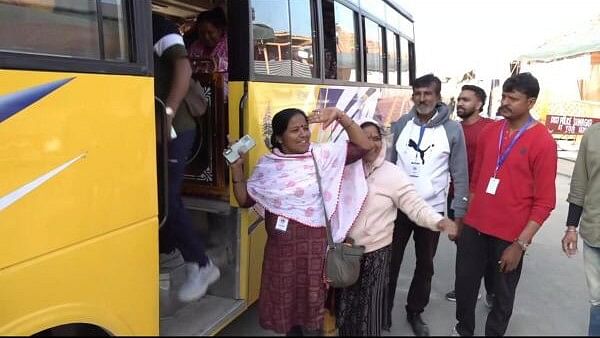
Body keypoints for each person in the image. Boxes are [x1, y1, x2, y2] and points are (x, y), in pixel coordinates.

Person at [228, 107, 374, 335]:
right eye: (295, 130)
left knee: (312, 309)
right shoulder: (268, 165)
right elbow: (245, 199)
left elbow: (364, 146)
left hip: (313, 250)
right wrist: (237, 171)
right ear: (278, 137)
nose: (304, 134)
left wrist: (340, 116)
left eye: (305, 128)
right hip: (281, 253)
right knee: (287, 311)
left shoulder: (323, 155)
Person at [453, 73, 557, 336]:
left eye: (514, 98)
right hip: (474, 229)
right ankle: (462, 330)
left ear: (531, 102)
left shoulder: (543, 141)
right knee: (465, 287)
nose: (506, 102)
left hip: (509, 237)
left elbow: (545, 202)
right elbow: (476, 182)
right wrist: (463, 220)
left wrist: (519, 245)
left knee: (502, 297)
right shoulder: (491, 131)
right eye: (504, 96)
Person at [335, 120, 458, 336]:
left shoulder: (392, 174)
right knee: (345, 308)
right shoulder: (342, 169)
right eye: (364, 137)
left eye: (376, 138)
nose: (371, 143)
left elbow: (414, 204)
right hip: (344, 252)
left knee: (369, 311)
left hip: (375, 254)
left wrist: (437, 220)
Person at [386, 74, 469, 336]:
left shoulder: (453, 130)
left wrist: (459, 214)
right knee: (389, 262)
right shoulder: (401, 124)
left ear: (438, 96)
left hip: (431, 212)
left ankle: (415, 311)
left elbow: (460, 174)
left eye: (427, 94)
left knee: (425, 265)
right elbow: (389, 165)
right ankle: (382, 311)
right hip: (398, 209)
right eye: (417, 93)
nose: (422, 99)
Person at [153, 13, 220, 303]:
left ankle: (202, 265)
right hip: (147, 129)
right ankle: (167, 259)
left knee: (166, 197)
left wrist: (167, 114)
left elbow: (183, 68)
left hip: (175, 129)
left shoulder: (157, 25)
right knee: (154, 198)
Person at [445, 85, 495, 307]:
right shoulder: (452, 129)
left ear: (479, 104)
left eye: (466, 100)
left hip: (481, 199)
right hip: (456, 195)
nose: (461, 103)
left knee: (482, 248)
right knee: (461, 243)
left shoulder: (491, 128)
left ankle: (488, 289)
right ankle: (468, 287)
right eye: (459, 99)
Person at [561, 123, 600, 336]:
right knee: (598, 302)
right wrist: (571, 227)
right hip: (596, 232)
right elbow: (579, 184)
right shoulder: (593, 135)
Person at [187, 7, 228, 94]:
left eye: (210, 32)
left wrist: (218, 62)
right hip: (196, 90)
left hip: (222, 93)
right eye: (202, 33)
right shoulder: (195, 46)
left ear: (220, 30)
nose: (206, 37)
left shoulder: (230, 45)